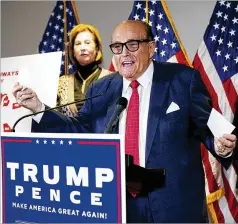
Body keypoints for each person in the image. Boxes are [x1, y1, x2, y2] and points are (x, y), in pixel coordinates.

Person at [12, 20, 236, 222]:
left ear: (151, 47)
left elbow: (204, 125)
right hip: (119, 205)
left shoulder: (182, 79)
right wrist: (39, 108)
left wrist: (219, 146)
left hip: (174, 205)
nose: (124, 54)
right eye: (117, 47)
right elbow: (80, 129)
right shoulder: (101, 88)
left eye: (133, 45)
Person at [57, 23, 111, 116]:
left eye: (87, 42)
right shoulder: (61, 83)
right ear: (73, 51)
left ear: (97, 48)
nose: (82, 48)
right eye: (78, 44)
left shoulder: (111, 79)